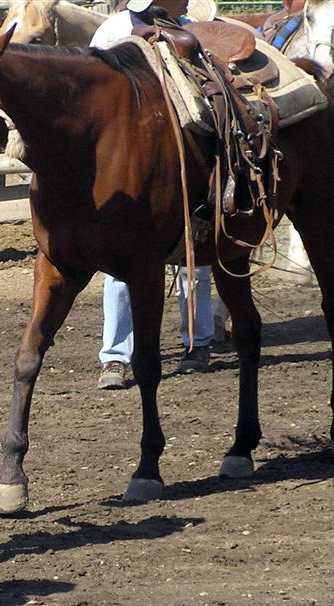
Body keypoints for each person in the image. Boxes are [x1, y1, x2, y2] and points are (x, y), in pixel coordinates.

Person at [92, 0, 216, 389]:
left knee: (193, 256)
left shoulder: (189, 31)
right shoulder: (113, 32)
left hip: (180, 162)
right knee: (120, 266)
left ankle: (196, 342)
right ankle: (116, 355)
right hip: (127, 167)